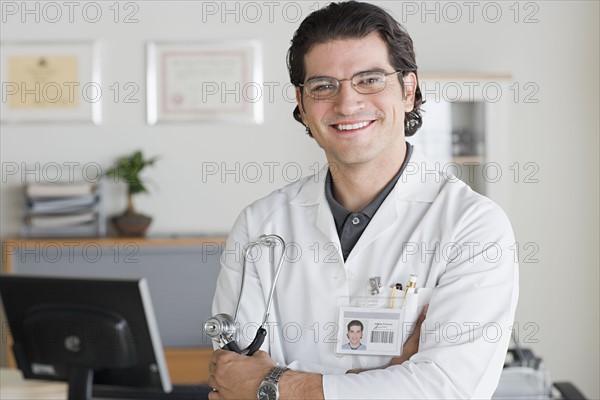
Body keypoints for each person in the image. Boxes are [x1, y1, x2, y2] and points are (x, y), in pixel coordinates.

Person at [209, 1, 518, 399]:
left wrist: (274, 386)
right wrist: (385, 381)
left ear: (408, 90)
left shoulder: (474, 226)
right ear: (302, 106)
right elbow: (233, 379)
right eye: (323, 86)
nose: (347, 103)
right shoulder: (261, 224)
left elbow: (448, 389)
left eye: (369, 80)